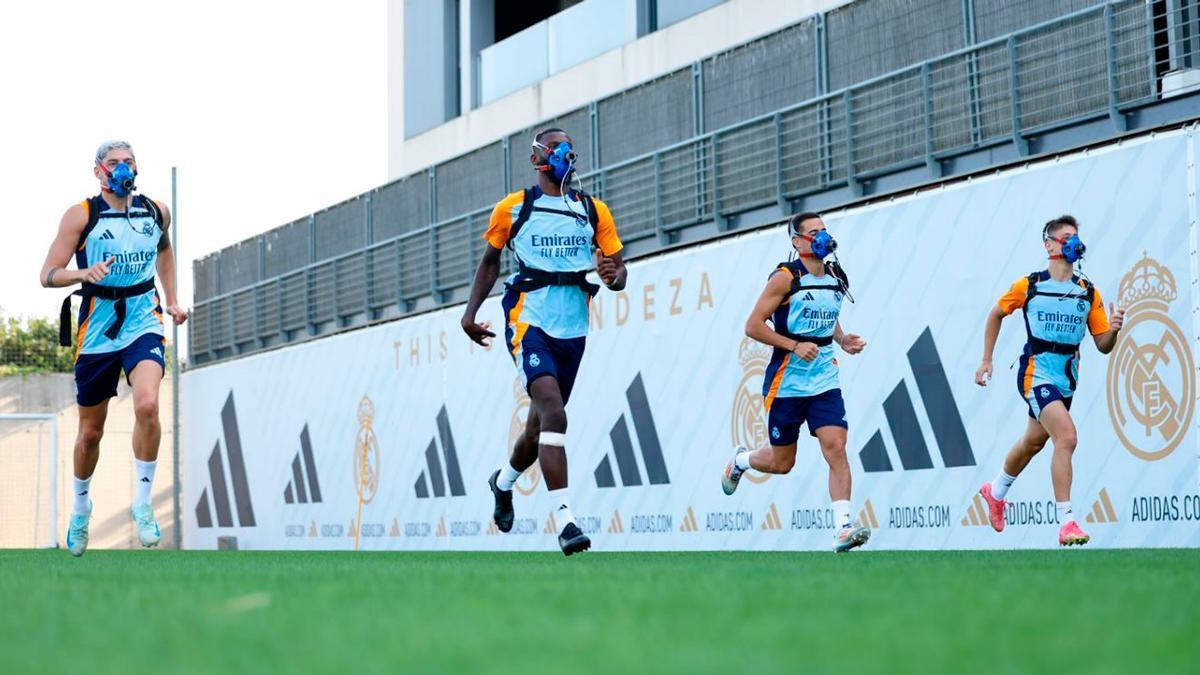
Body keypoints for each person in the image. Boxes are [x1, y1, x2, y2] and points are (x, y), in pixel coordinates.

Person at [460, 128, 627, 556]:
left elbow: (618, 272)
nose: (566, 153)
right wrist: (469, 313)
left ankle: (503, 482)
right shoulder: (513, 208)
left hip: (573, 327)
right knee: (553, 409)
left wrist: (614, 277)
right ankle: (566, 521)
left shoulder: (592, 209)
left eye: (570, 146)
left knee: (539, 428)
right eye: (557, 148)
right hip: (527, 319)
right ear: (540, 159)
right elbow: (490, 262)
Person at [39, 140, 187, 556]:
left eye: (129, 162)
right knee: (91, 433)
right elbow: (47, 274)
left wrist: (172, 299)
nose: (122, 169)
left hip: (143, 319)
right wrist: (82, 272)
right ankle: (82, 509)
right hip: (98, 327)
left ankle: (143, 505)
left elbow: (165, 252)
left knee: (148, 406)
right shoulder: (82, 215)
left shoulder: (156, 211)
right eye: (114, 163)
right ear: (99, 171)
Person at [721, 212, 871, 553]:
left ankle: (843, 528)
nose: (821, 237)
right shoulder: (784, 278)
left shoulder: (836, 275)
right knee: (782, 463)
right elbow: (753, 325)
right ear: (797, 242)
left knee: (836, 446)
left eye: (824, 230)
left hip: (824, 377)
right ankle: (741, 461)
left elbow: (827, 314)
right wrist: (792, 345)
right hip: (786, 381)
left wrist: (843, 339)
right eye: (813, 232)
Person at [973, 215, 1124, 546]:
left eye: (1076, 237)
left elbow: (1102, 345)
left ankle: (995, 491)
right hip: (1035, 372)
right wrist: (987, 360)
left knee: (1034, 442)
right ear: (1049, 244)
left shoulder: (1087, 292)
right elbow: (996, 313)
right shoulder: (1029, 285)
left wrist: (1114, 329)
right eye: (1065, 237)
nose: (1073, 242)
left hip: (1066, 378)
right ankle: (1067, 521)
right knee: (1067, 437)